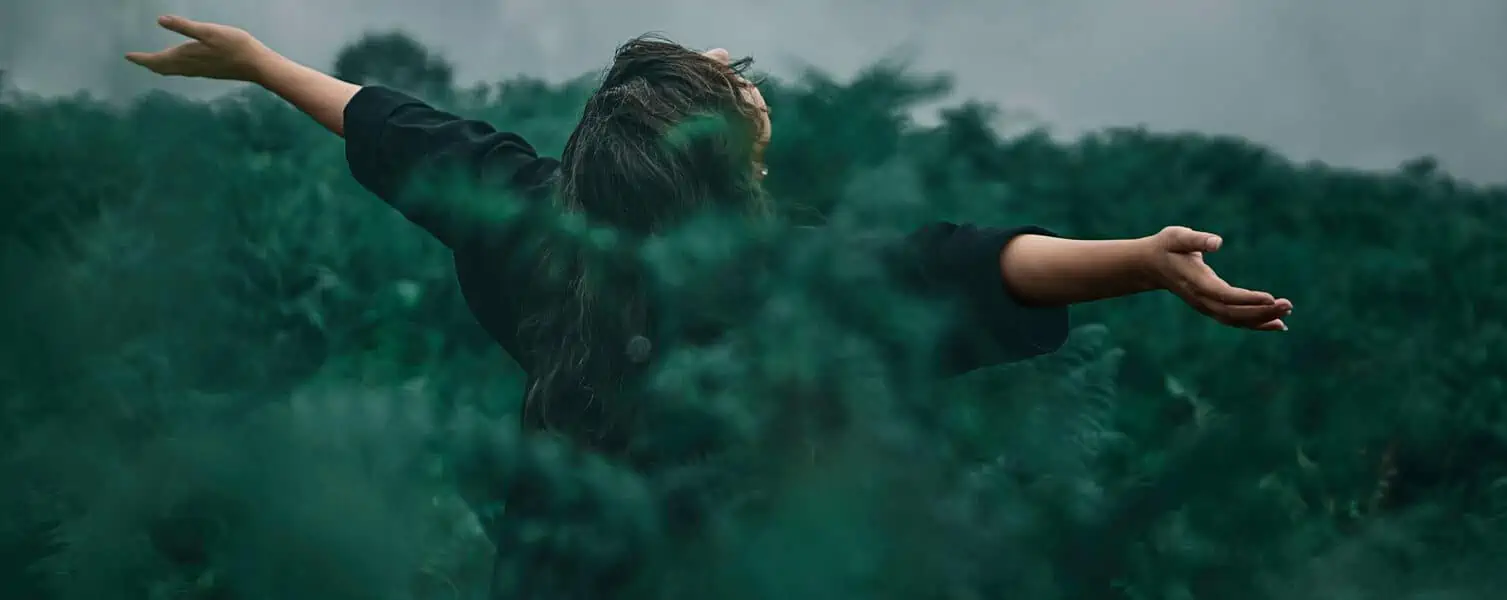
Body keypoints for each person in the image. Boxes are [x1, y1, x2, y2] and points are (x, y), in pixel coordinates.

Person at [128, 14, 1294, 597]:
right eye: (743, 111)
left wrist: (259, 61)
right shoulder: (776, 278)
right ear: (724, 168)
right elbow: (964, 265)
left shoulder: (534, 215)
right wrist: (1140, 261)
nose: (752, 91)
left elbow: (388, 127)